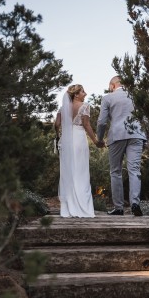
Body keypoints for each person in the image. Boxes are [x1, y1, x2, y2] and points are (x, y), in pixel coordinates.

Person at [96, 76, 147, 216]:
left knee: (115, 172)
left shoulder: (107, 98)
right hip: (137, 135)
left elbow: (101, 122)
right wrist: (145, 138)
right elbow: (145, 118)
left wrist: (99, 139)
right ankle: (135, 203)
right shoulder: (136, 97)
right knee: (135, 170)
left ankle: (119, 208)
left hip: (117, 135)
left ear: (112, 85)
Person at [54, 84, 99, 217]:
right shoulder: (84, 106)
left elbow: (56, 124)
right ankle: (82, 207)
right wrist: (95, 141)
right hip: (78, 139)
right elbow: (86, 125)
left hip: (66, 140)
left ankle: (68, 207)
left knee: (68, 171)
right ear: (76, 94)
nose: (85, 93)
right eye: (83, 91)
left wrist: (59, 135)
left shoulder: (63, 108)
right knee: (81, 171)